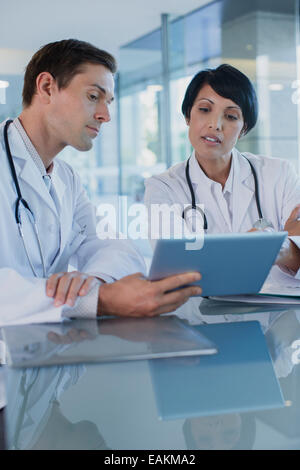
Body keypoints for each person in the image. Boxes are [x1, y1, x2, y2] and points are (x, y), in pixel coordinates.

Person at [0, 39, 202, 326]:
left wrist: (91, 282)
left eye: (108, 102)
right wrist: (98, 299)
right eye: (94, 96)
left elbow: (114, 246)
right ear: (46, 87)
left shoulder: (65, 178)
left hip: (47, 353)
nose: (105, 116)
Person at [144, 64, 300, 283]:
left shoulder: (279, 174)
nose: (215, 125)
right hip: (201, 314)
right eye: (205, 109)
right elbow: (176, 269)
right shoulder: (163, 188)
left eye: (231, 116)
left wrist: (274, 247)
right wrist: (278, 243)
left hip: (276, 314)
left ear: (244, 128)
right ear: (188, 115)